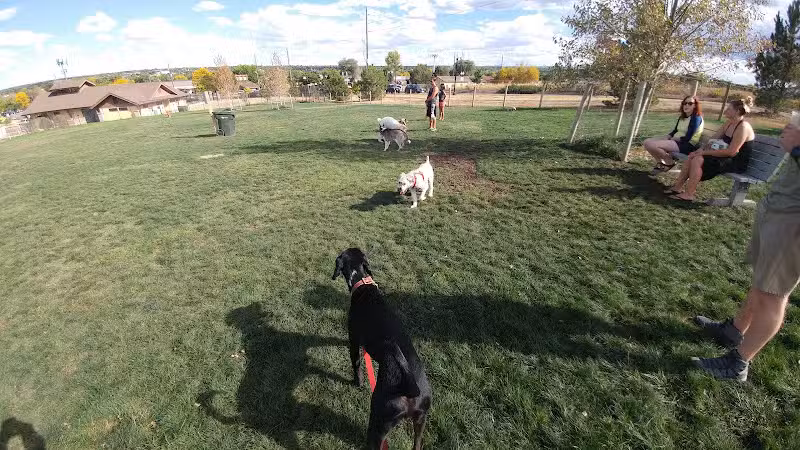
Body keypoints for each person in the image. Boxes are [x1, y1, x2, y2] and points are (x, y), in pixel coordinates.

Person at [691, 120, 800, 381]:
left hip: (793, 222)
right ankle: (735, 330)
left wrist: (796, 148)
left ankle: (738, 363)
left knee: (772, 294)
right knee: (761, 284)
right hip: (778, 208)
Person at [666, 97, 755, 202]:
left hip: (735, 161)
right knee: (692, 156)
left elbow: (732, 152)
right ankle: (677, 188)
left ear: (738, 111)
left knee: (698, 159)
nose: (725, 110)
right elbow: (714, 138)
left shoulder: (743, 127)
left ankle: (689, 194)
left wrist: (704, 152)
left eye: (729, 109)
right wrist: (700, 149)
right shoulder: (729, 122)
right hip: (723, 155)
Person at [643, 96, 704, 175]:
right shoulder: (682, 117)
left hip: (686, 145)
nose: (686, 105)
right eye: (684, 103)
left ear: (695, 105)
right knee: (646, 142)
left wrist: (675, 139)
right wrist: (668, 136)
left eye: (690, 103)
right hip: (676, 141)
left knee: (651, 145)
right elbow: (675, 130)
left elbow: (688, 137)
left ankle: (669, 163)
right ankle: (660, 163)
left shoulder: (696, 118)